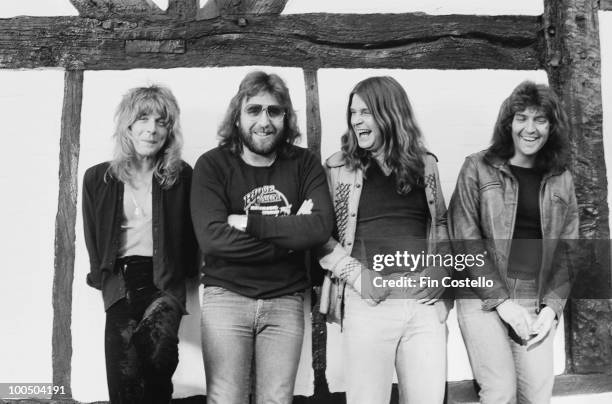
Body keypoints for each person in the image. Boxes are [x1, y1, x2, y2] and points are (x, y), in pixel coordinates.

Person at [191, 70, 333, 404]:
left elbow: (319, 228)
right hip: (226, 296)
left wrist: (247, 223)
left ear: (286, 117)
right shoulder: (212, 165)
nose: (264, 121)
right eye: (254, 110)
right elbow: (213, 240)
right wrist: (290, 233)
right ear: (237, 115)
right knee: (226, 398)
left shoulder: (305, 163)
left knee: (277, 399)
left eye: (274, 111)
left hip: (285, 300)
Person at [318, 76, 450, 404]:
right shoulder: (338, 168)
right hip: (368, 301)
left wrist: (441, 275)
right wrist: (356, 276)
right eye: (353, 113)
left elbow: (443, 226)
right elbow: (319, 236)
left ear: (390, 113)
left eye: (365, 112)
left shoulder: (426, 165)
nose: (356, 121)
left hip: (422, 303)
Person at [448, 81, 579, 403]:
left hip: (535, 298)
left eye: (540, 120)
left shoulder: (562, 178)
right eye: (522, 118)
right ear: (509, 123)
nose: (530, 128)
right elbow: (463, 239)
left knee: (537, 396)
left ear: (552, 127)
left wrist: (552, 306)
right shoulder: (477, 167)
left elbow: (569, 250)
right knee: (499, 393)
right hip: (481, 296)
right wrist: (502, 302)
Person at [82, 85, 198, 404]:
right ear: (128, 125)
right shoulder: (97, 179)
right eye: (143, 118)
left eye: (162, 121)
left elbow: (192, 237)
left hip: (163, 281)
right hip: (120, 283)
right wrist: (105, 282)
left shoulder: (181, 176)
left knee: (160, 356)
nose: (152, 129)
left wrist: (182, 276)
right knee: (124, 380)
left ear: (169, 129)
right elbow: (94, 239)